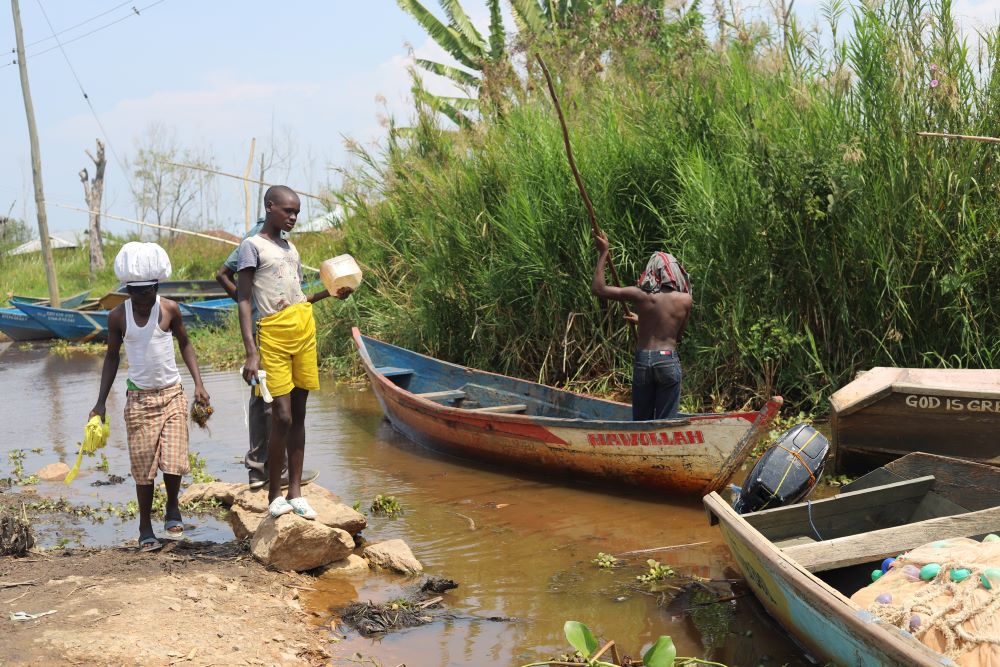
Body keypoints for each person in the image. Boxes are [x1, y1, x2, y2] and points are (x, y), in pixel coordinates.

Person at [237, 185, 353, 518]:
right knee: (281, 415)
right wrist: (250, 352)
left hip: (303, 328)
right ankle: (274, 494)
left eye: (297, 212)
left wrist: (331, 294)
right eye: (288, 211)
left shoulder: (291, 248)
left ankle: (296, 492)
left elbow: (298, 296)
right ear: (269, 207)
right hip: (272, 333)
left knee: (299, 415)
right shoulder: (252, 247)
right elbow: (244, 301)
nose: (293, 217)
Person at [90, 242, 211, 551]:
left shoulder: (169, 308)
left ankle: (172, 506)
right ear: (127, 289)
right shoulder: (118, 316)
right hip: (139, 401)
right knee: (144, 469)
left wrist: (198, 383)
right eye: (136, 292)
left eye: (148, 291)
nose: (143, 298)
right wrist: (100, 403)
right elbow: (112, 358)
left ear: (156, 286)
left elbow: (185, 344)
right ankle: (145, 526)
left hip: (172, 394)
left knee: (174, 460)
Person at [591, 232, 692, 420]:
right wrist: (643, 320)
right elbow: (677, 336)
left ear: (653, 271)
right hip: (667, 360)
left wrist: (603, 252)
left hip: (644, 360)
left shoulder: (641, 295)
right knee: (665, 423)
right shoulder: (685, 300)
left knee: (641, 421)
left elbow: (598, 289)